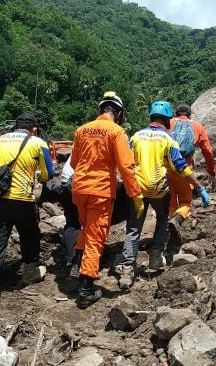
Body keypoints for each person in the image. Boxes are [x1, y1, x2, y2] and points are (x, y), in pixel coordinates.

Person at [114, 101, 210, 289]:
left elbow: (125, 163)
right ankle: (156, 258)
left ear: (151, 117)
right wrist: (198, 187)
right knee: (162, 219)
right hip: (159, 189)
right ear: (167, 120)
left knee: (133, 228)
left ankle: (127, 271)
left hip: (138, 190)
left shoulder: (136, 137)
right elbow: (180, 166)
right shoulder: (168, 140)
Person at [69, 91, 143, 309]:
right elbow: (127, 167)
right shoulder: (116, 132)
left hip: (79, 188)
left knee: (86, 228)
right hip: (100, 191)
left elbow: (74, 162)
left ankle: (77, 264)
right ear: (118, 113)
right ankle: (86, 290)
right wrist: (135, 194)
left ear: (100, 110)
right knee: (95, 237)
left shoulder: (82, 130)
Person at [0, 113, 55, 309]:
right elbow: (48, 174)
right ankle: (29, 272)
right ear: (33, 129)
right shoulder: (38, 142)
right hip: (22, 199)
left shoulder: (0, 140)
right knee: (29, 234)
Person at [166, 104, 216, 256]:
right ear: (190, 115)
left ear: (176, 114)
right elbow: (208, 151)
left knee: (171, 201)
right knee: (186, 201)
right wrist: (211, 171)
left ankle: (170, 232)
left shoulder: (169, 123)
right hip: (185, 168)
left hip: (166, 167)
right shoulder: (197, 126)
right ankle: (177, 221)